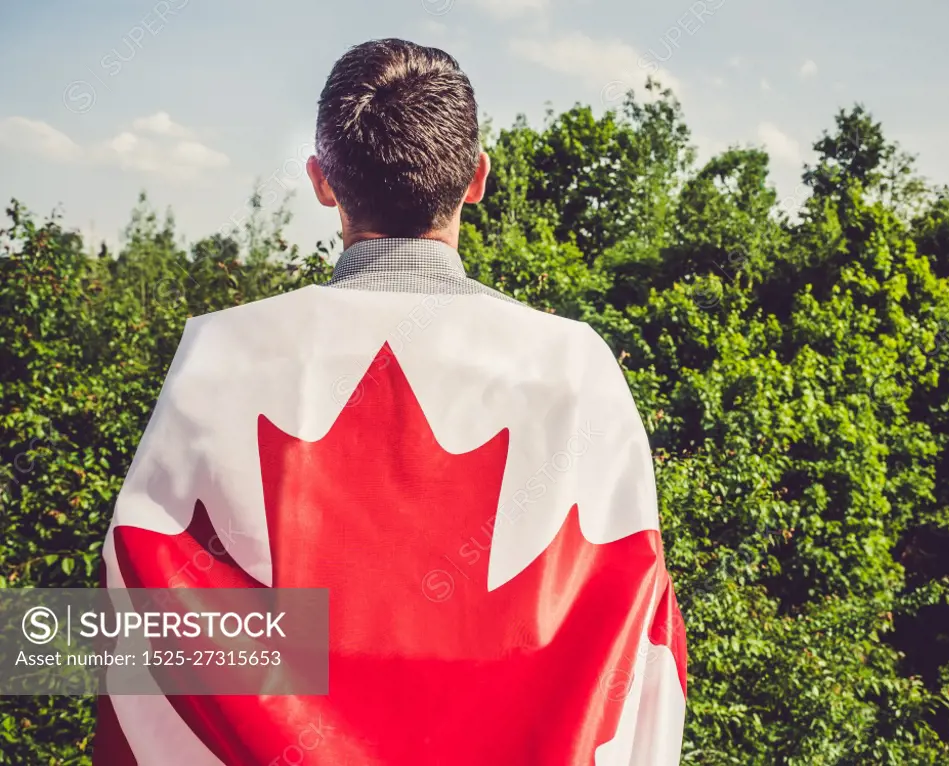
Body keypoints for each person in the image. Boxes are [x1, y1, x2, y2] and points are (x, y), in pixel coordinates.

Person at [94, 38, 686, 765]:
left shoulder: (222, 354)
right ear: (476, 179)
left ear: (321, 182)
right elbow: (633, 630)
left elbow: (143, 603)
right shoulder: (575, 367)